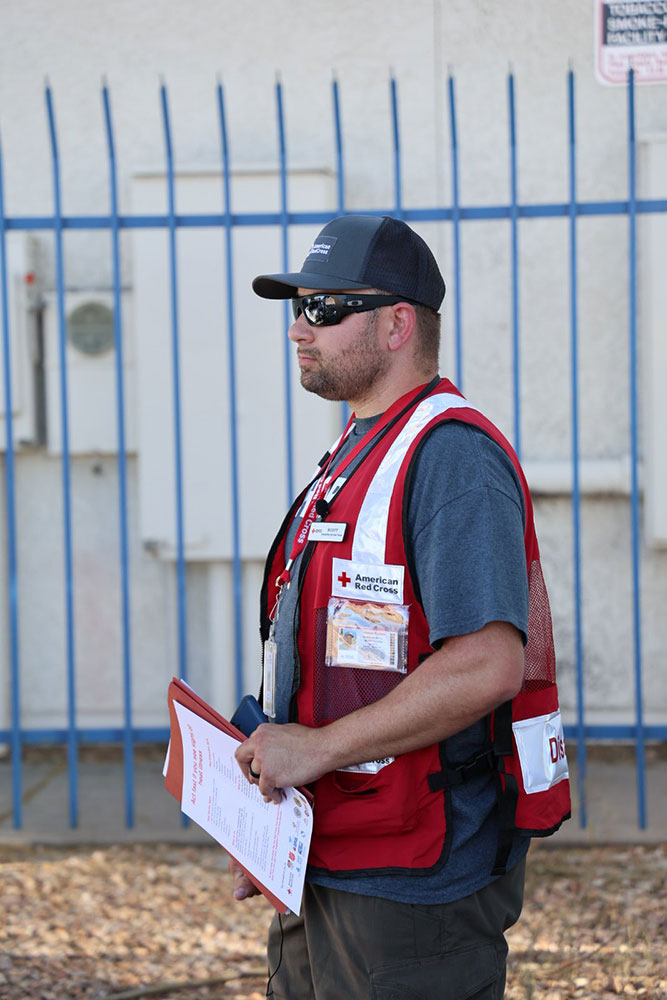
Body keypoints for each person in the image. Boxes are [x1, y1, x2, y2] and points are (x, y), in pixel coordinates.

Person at [231, 214, 570, 999]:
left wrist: (315, 751)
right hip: (324, 851)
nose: (296, 329)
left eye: (323, 309)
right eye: (296, 307)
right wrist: (262, 810)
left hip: (413, 879)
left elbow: (487, 664)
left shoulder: (449, 458)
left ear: (395, 324)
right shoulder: (356, 451)